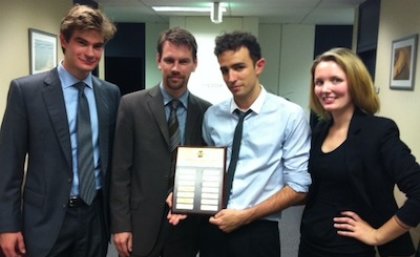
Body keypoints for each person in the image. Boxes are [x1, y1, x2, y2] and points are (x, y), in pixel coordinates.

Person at [0, 4, 120, 257]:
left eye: (97, 46)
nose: (90, 52)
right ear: (64, 40)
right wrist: (7, 226)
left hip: (95, 218)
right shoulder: (27, 92)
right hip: (47, 219)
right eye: (82, 42)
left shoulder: (110, 94)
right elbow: (8, 166)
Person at [298, 47, 420, 257]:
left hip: (350, 249)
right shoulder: (320, 129)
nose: (325, 89)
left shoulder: (378, 131)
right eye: (319, 82)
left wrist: (377, 236)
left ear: (355, 83)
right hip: (311, 241)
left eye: (336, 80)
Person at [200, 31, 311, 257]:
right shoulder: (212, 115)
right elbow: (207, 170)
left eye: (239, 67)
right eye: (224, 70)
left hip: (258, 229)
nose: (231, 78)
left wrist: (245, 216)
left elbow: (299, 187)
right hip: (213, 225)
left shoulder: (289, 115)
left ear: (259, 66)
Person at [110, 27, 211, 257]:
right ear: (158, 61)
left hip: (187, 225)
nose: (176, 68)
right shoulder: (131, 106)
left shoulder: (206, 112)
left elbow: (207, 172)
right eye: (169, 60)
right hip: (140, 225)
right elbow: (120, 172)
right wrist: (121, 225)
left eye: (184, 61)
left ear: (194, 64)